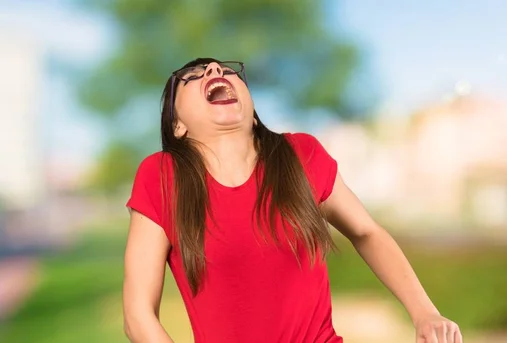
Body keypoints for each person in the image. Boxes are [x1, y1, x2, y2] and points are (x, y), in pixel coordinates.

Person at [123, 57, 462, 343]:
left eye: (226, 71)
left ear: (252, 110)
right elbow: (138, 314)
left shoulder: (301, 154)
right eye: (193, 77)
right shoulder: (161, 177)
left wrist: (425, 313)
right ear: (178, 125)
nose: (215, 71)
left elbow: (367, 232)